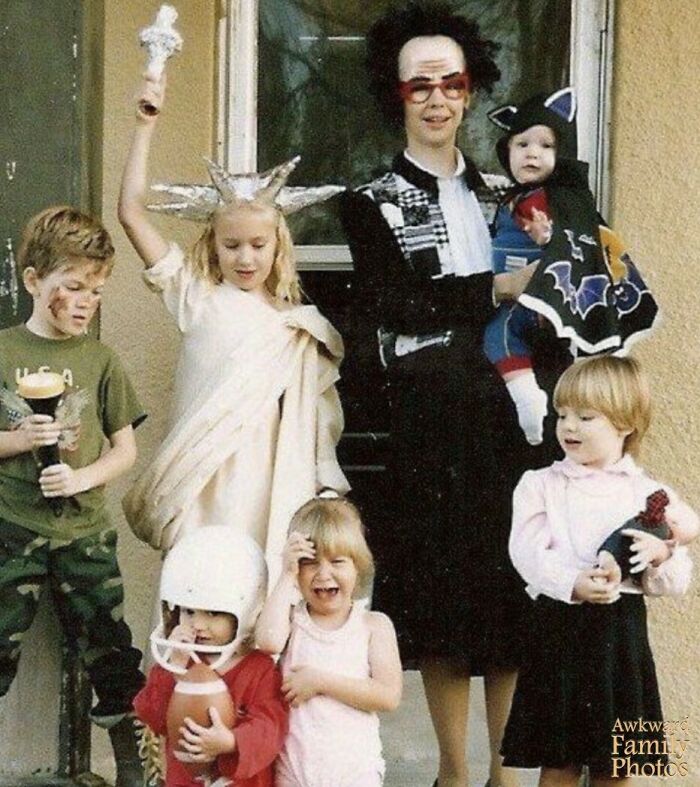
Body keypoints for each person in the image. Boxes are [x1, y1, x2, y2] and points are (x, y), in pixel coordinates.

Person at [338, 4, 562, 786]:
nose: (437, 99)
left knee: (509, 593)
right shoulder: (370, 202)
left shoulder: (512, 188)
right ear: (396, 96)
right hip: (432, 420)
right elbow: (394, 304)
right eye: (419, 87)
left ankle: (506, 770)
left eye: (452, 84)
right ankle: (454, 770)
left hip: (512, 414)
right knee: (440, 603)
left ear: (471, 91)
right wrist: (493, 288)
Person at [118, 73, 349, 580]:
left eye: (258, 246)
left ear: (278, 247)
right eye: (232, 245)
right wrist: (143, 124)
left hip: (269, 490)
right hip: (198, 489)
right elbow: (131, 213)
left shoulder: (296, 328)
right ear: (212, 245)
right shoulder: (196, 298)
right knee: (196, 602)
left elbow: (317, 426)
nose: (245, 257)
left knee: (256, 600)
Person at [0, 206, 147, 786]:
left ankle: (134, 767)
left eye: (97, 289)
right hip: (10, 528)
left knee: (111, 652)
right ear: (35, 282)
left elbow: (124, 449)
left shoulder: (101, 360)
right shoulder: (4, 352)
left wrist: (83, 479)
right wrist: (17, 440)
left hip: (84, 533)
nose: (87, 301)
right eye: (73, 287)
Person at [503, 355, 698, 785]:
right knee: (558, 763)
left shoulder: (649, 493)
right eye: (562, 414)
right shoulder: (539, 484)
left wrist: (661, 555)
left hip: (621, 638)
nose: (568, 426)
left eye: (585, 416)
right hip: (559, 630)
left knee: (621, 765)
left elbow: (677, 579)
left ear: (626, 424)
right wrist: (572, 582)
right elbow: (527, 553)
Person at [483, 88, 659, 445]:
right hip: (520, 297)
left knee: (498, 336)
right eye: (522, 145)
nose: (533, 153)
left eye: (546, 146)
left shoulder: (552, 198)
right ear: (507, 152)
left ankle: (526, 397)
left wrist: (547, 238)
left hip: (538, 300)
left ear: (561, 154)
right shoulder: (514, 195)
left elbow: (568, 239)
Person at [256, 497, 402, 787]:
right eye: (309, 564)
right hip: (294, 772)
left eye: (337, 562)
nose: (324, 574)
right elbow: (268, 641)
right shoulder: (292, 621)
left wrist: (320, 681)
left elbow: (388, 696)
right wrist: (286, 575)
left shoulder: (373, 626)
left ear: (357, 567)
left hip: (354, 774)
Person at [134, 527, 288, 786]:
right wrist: (174, 668)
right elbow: (154, 717)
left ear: (245, 611)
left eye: (214, 613)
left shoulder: (260, 669)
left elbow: (270, 729)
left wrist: (230, 742)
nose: (199, 624)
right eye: (189, 612)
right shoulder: (180, 662)